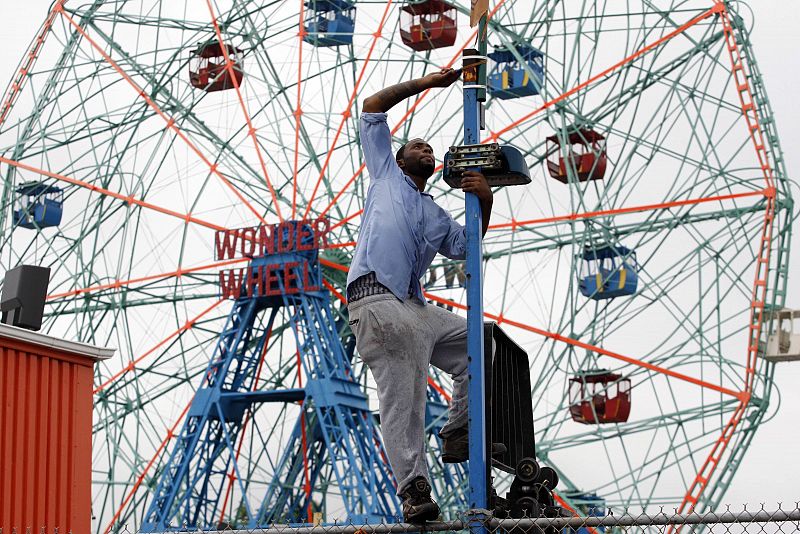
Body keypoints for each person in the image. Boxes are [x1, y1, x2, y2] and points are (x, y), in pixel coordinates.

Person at [345, 68, 495, 523]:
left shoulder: (435, 214)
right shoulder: (385, 175)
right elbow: (372, 106)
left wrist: (485, 200)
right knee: (404, 395)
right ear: (399, 156)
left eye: (430, 148)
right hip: (376, 298)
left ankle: (458, 429)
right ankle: (413, 488)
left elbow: (467, 247)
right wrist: (428, 84)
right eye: (416, 146)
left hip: (414, 306)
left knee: (478, 340)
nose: (425, 149)